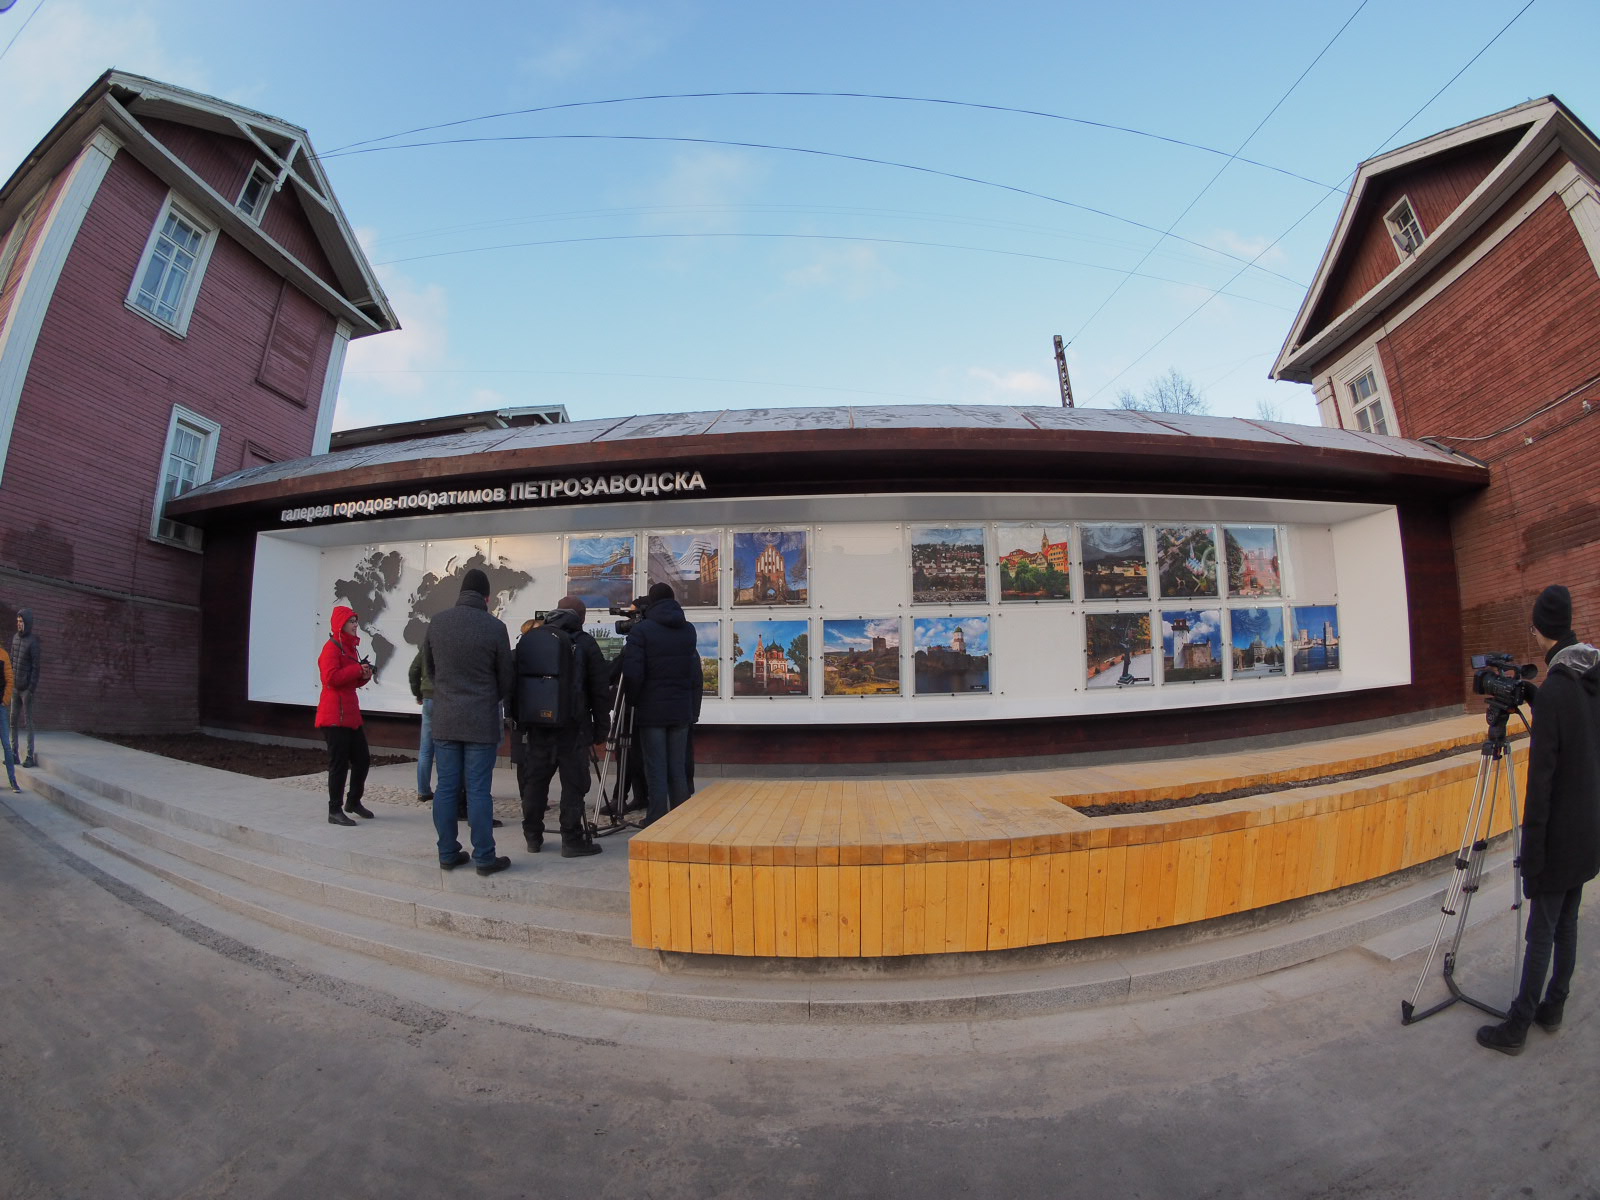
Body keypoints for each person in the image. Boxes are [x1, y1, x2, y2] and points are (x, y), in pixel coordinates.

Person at [1477, 585, 1600, 1055]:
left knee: (1540, 931)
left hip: (1560, 835)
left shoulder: (1556, 694)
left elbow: (1542, 783)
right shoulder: (1587, 678)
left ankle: (1518, 1025)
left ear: (1538, 631)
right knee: (1567, 922)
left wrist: (1533, 850)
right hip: (1589, 829)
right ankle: (1554, 1006)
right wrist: (1534, 696)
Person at [424, 569, 514, 875]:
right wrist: (487, 697)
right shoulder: (495, 627)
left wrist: (449, 693)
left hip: (446, 719)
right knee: (478, 791)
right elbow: (506, 679)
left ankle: (447, 853)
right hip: (481, 720)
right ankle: (485, 858)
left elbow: (431, 670)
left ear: (461, 593)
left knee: (446, 788)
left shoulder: (437, 623)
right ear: (487, 597)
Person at [514, 596, 610, 858]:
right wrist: (601, 728)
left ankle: (532, 836)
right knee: (574, 783)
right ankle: (572, 839)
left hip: (537, 724)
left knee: (535, 781)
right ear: (582, 618)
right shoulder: (585, 643)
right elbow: (599, 690)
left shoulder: (533, 636)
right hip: (573, 726)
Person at [621, 583, 701, 826]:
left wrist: (634, 700)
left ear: (651, 603)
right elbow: (692, 672)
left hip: (652, 709)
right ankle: (682, 816)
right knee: (677, 765)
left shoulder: (642, 631)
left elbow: (633, 672)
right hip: (680, 709)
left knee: (656, 765)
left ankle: (656, 817)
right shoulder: (688, 630)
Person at [315, 605, 375, 826]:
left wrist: (364, 675)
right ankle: (334, 810)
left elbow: (350, 681)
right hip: (334, 716)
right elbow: (330, 678)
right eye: (351, 621)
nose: (355, 625)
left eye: (356, 621)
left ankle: (353, 801)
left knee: (362, 760)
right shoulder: (331, 649)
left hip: (349, 715)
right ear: (341, 625)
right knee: (338, 764)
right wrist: (356, 671)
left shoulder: (349, 649)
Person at [11, 609, 39, 768]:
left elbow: (36, 668)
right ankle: (14, 754)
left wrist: (31, 689)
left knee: (28, 723)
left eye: (21, 622)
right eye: (18, 621)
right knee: (12, 722)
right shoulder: (15, 638)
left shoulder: (33, 642)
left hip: (26, 690)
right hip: (14, 688)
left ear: (27, 623)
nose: (19, 624)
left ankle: (29, 756)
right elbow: (12, 661)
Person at [407, 645, 436, 802]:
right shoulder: (450, 640)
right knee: (447, 748)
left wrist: (418, 693)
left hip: (428, 698)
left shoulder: (427, 645)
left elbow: (413, 670)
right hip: (445, 697)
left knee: (426, 749)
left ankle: (423, 790)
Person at [0, 640, 22, 793]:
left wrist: (5, 700)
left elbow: (10, 680)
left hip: (0, 707)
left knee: (7, 746)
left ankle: (13, 780)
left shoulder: (3, 655)